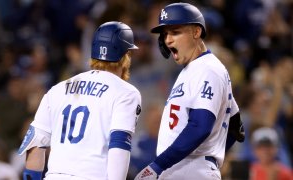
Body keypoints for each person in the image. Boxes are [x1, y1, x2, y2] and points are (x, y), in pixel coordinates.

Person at [18, 21, 142, 180]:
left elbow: (35, 146)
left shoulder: (57, 89)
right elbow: (119, 147)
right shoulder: (126, 92)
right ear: (126, 56)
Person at [134, 3, 245, 180]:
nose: (168, 40)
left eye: (175, 32)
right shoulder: (192, 70)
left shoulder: (208, 68)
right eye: (165, 35)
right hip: (181, 167)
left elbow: (200, 126)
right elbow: (236, 127)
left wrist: (158, 165)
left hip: (191, 168)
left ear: (196, 32)